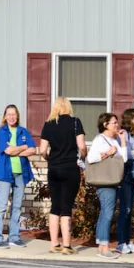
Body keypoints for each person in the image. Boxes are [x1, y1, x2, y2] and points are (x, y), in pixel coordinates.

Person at [38, 97, 87, 255]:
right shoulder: (75, 122)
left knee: (55, 206)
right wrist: (83, 156)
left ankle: (54, 244)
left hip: (54, 169)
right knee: (66, 207)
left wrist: (49, 158)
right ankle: (67, 245)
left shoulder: (48, 124)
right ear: (68, 107)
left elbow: (42, 150)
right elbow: (82, 146)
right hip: (70, 168)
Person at [0, 105, 36, 249]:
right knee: (2, 206)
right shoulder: (2, 132)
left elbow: (33, 149)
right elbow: (8, 150)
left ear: (17, 116)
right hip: (5, 173)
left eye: (14, 114)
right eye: (9, 114)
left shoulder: (23, 131)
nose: (11, 117)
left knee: (16, 206)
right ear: (5, 116)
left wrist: (19, 149)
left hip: (20, 174)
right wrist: (23, 147)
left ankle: (14, 237)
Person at [86, 113, 128, 260]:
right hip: (104, 182)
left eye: (117, 122)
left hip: (113, 181)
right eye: (113, 123)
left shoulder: (113, 140)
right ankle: (103, 248)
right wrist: (107, 153)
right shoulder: (100, 140)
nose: (117, 125)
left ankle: (102, 246)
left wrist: (122, 141)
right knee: (107, 214)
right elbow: (91, 158)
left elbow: (124, 159)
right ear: (105, 125)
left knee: (106, 213)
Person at [116, 108, 134, 254]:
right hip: (125, 175)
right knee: (125, 210)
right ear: (131, 119)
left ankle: (127, 241)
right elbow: (125, 154)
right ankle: (121, 242)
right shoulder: (123, 134)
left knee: (130, 210)